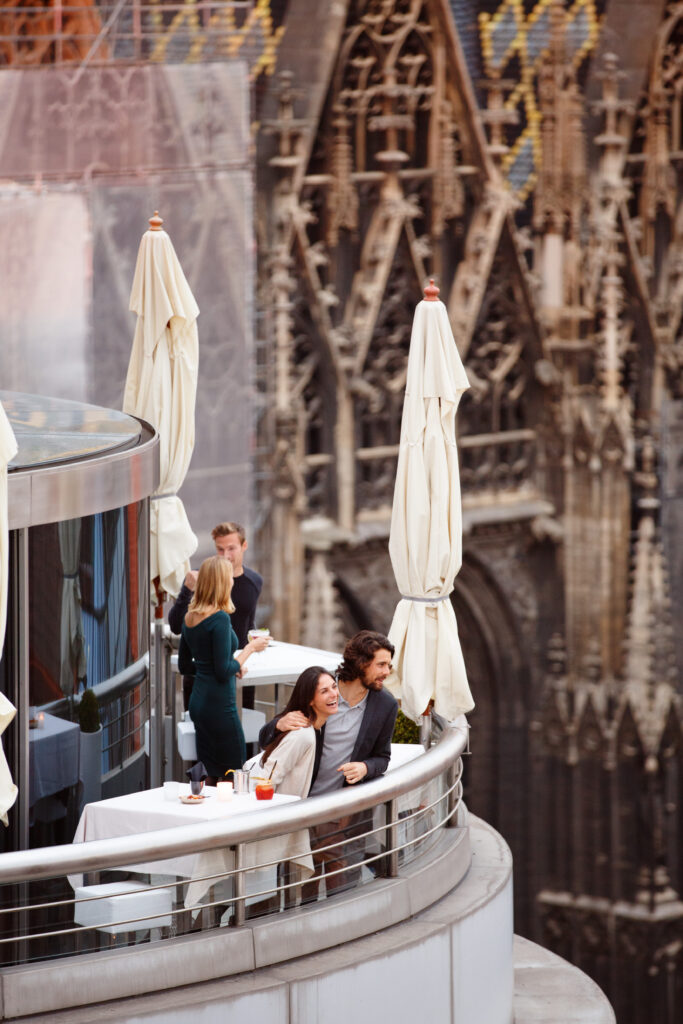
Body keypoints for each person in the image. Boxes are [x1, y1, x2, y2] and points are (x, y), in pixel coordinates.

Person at [258, 630, 398, 896]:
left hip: (342, 809)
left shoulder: (385, 705)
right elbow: (266, 738)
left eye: (388, 665)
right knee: (300, 883)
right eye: (381, 665)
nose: (387, 672)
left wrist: (365, 767)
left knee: (342, 880)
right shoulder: (323, 690)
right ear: (361, 664)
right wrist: (278, 723)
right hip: (301, 802)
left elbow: (383, 757)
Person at [177, 556, 261, 784]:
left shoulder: (190, 617)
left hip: (198, 704)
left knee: (210, 772)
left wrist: (211, 667)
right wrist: (250, 649)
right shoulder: (220, 619)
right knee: (234, 773)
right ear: (222, 583)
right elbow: (224, 670)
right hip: (219, 706)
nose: (233, 582)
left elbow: (184, 666)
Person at [169, 522, 266, 710]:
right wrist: (186, 590)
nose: (226, 556)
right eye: (220, 550)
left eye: (231, 548)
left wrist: (252, 648)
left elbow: (248, 623)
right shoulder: (200, 579)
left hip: (239, 671)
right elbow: (175, 625)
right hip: (202, 677)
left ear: (244, 546)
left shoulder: (254, 581)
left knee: (244, 734)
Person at [249, 666, 339, 798]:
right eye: (324, 691)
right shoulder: (302, 734)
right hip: (281, 812)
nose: (334, 694)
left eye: (334, 686)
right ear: (310, 700)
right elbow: (267, 779)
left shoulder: (318, 726)